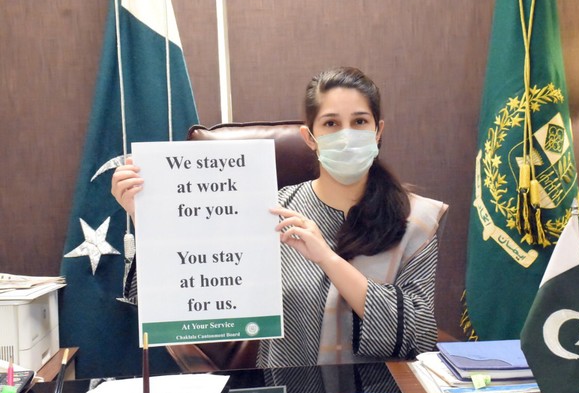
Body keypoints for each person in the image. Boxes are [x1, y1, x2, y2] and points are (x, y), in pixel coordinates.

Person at [111, 66, 448, 368]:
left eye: (359, 122)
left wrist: (328, 259)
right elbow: (181, 298)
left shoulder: (415, 220)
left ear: (378, 131)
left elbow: (418, 336)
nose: (346, 136)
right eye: (331, 124)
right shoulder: (266, 211)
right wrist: (148, 220)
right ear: (309, 138)